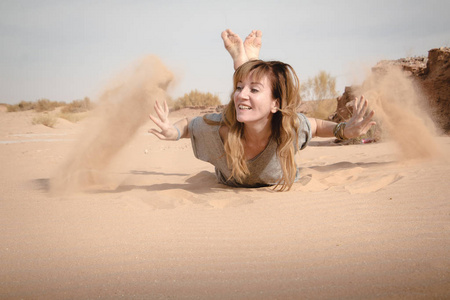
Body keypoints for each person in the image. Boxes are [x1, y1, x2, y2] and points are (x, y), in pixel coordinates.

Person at [149, 29, 376, 191]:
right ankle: (247, 64)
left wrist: (344, 131)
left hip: (272, 121)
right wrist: (174, 132)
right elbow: (190, 124)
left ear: (276, 103)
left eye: (253, 89)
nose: (240, 93)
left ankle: (248, 63)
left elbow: (315, 126)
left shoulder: (288, 128)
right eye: (238, 87)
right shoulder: (220, 129)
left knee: (248, 101)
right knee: (241, 106)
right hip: (232, 154)